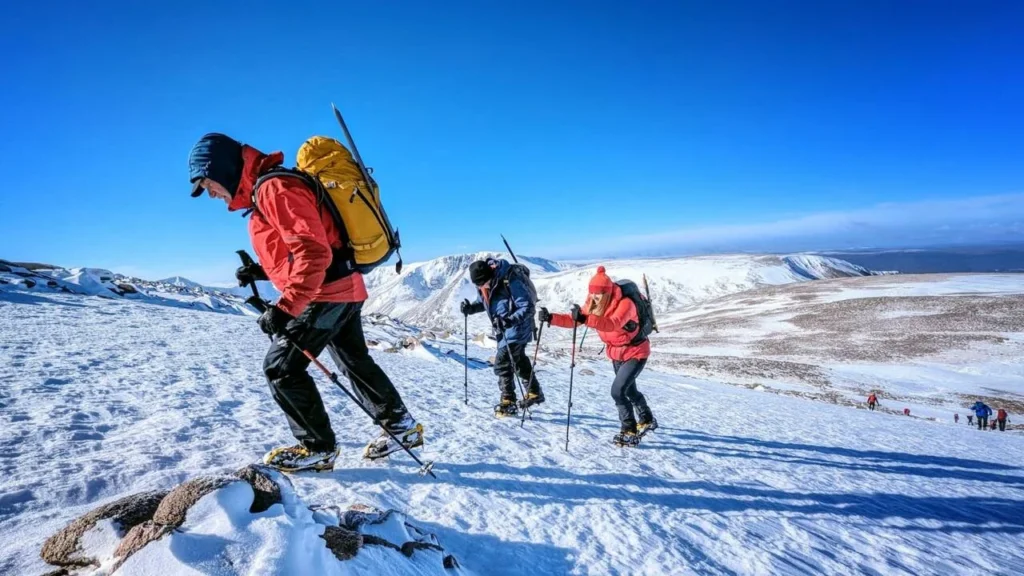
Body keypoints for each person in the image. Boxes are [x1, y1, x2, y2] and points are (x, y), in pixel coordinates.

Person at [188, 133, 423, 471]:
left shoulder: (274, 188)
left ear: (222, 169)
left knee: (281, 368)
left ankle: (317, 447)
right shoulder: (268, 190)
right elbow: (307, 246)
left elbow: (314, 253)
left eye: (208, 184)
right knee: (353, 362)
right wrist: (260, 270)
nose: (211, 193)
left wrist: (286, 308)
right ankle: (400, 425)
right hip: (343, 288)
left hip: (324, 293)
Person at [539, 266, 658, 447]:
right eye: (592, 294)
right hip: (616, 353)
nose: (593, 298)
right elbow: (576, 320)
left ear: (607, 293)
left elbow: (612, 323)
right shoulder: (594, 303)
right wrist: (551, 318)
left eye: (598, 295)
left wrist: (586, 319)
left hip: (636, 352)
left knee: (617, 392)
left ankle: (629, 429)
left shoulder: (626, 304)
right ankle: (647, 418)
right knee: (629, 391)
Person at [461, 258, 544, 416]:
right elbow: (484, 303)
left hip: (518, 327)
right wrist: (470, 308)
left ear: (489, 275)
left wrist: (508, 320)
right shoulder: (485, 284)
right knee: (518, 359)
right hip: (504, 330)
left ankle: (508, 401)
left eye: (483, 283)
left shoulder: (510, 279)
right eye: (478, 285)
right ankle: (534, 392)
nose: (481, 287)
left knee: (502, 362)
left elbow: (527, 306)